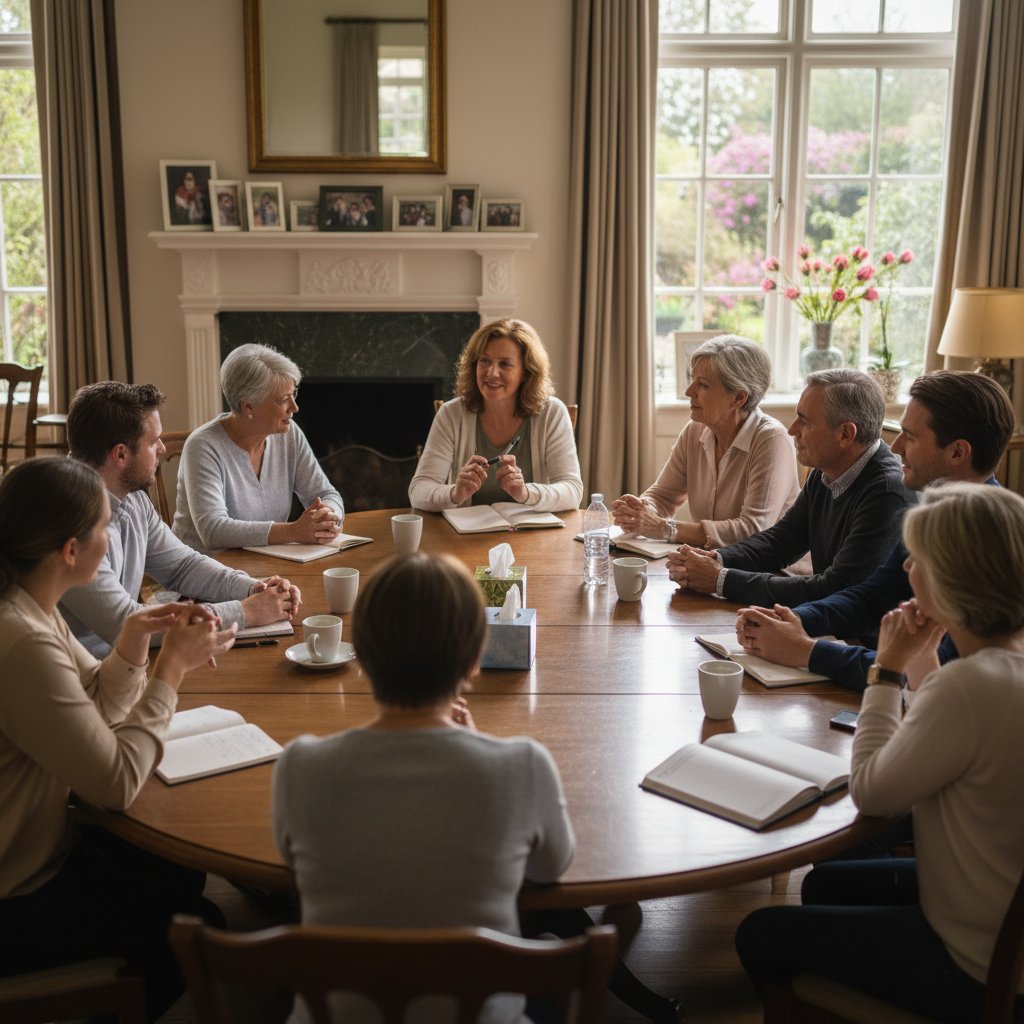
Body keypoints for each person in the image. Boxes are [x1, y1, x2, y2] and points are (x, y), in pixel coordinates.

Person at [736, 482, 1024, 1022]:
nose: (907, 569)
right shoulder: (999, 667)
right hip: (998, 915)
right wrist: (917, 658)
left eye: (918, 559)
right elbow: (944, 726)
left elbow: (871, 792)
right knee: (828, 881)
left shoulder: (972, 686)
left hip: (974, 967)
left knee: (761, 932)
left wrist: (886, 670)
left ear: (951, 581)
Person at [272, 553, 574, 1024]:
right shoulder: (522, 766)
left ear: (364, 658)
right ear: (476, 657)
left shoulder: (301, 766)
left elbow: (298, 865)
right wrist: (473, 751)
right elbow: (552, 866)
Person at [0, 457, 235, 1020]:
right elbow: (115, 781)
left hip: (45, 846)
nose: (113, 538)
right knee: (203, 934)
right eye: (105, 527)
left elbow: (96, 709)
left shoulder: (30, 607)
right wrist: (170, 671)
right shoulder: (22, 640)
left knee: (178, 868)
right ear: (70, 550)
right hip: (18, 893)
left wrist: (132, 643)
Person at [734, 371, 1015, 689]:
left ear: (957, 453)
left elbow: (937, 673)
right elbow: (873, 595)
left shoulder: (991, 543)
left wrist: (806, 651)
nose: (895, 447)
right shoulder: (931, 512)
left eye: (910, 436)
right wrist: (797, 619)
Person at [59, 382, 300, 658]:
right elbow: (124, 625)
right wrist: (246, 611)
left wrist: (250, 587)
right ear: (121, 454)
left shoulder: (131, 496)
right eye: (153, 442)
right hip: (81, 681)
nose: (162, 448)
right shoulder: (68, 522)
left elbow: (182, 566)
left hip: (124, 667)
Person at [667, 368, 913, 605]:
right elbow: (782, 541)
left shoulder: (887, 494)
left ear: (846, 434)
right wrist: (716, 558)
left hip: (865, 641)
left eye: (804, 422)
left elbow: (835, 588)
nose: (792, 430)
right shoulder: (827, 468)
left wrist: (720, 579)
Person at [612, 335, 800, 547]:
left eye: (702, 385)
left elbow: (753, 530)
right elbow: (664, 496)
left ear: (739, 398)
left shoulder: (771, 440)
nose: (688, 391)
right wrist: (641, 511)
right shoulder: (696, 430)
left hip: (770, 573)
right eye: (692, 379)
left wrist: (663, 528)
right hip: (716, 564)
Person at [173, 343, 344, 554]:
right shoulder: (203, 446)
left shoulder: (289, 434)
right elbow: (213, 530)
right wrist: (294, 532)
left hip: (265, 567)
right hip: (203, 572)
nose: (295, 408)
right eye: (283, 400)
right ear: (248, 406)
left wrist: (329, 515)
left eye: (294, 394)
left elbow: (325, 492)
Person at [409, 318, 584, 512]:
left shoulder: (552, 412)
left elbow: (573, 490)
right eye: (485, 361)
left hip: (533, 536)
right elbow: (418, 491)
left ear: (526, 371)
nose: (491, 373)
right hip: (465, 536)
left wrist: (526, 493)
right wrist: (454, 494)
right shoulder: (451, 414)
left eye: (505, 364)